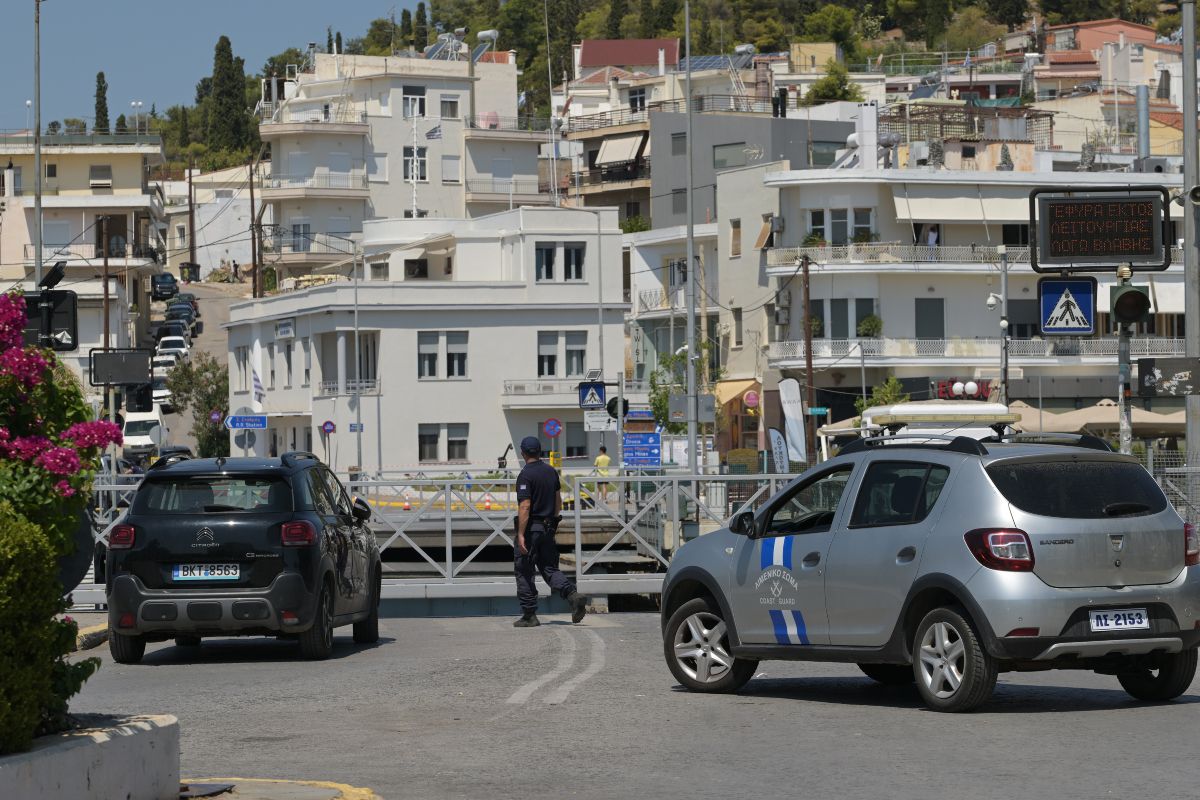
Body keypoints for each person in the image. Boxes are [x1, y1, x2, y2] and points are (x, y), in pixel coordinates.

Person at [513, 436, 588, 628]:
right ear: (540, 452)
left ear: (522, 453)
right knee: (549, 567)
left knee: (524, 569)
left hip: (531, 529)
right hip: (548, 528)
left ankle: (530, 615)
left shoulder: (525, 475)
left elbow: (525, 506)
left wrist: (521, 533)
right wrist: (552, 524)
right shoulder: (551, 471)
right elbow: (558, 501)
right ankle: (572, 595)